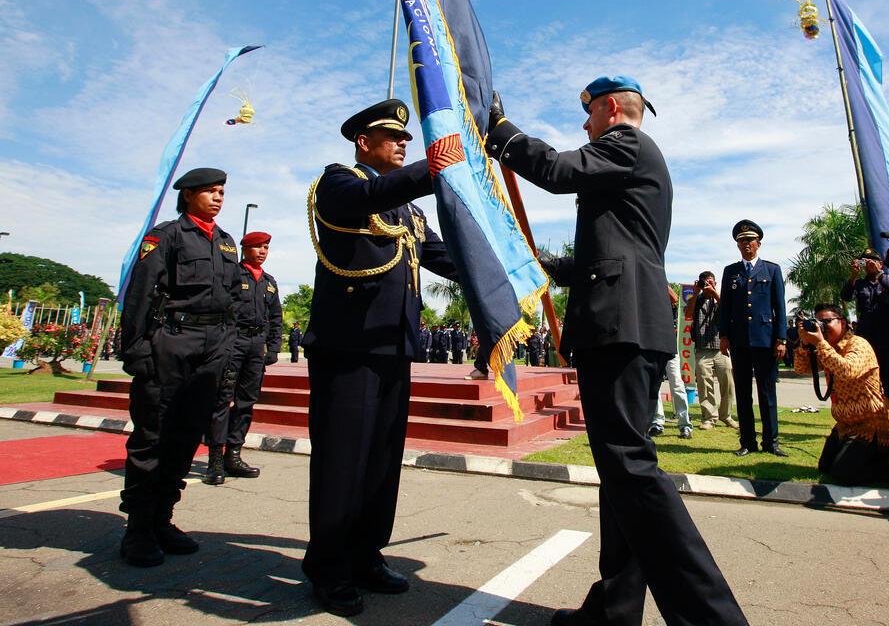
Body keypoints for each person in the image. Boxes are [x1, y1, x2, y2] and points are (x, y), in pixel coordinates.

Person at [486, 75, 748, 626]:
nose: (584, 127)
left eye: (587, 115)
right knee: (621, 475)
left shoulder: (625, 142)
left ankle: (712, 619)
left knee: (630, 468)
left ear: (609, 107)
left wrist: (503, 133)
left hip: (622, 325)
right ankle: (614, 610)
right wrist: (548, 269)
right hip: (626, 321)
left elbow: (557, 171)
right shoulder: (630, 158)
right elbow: (613, 246)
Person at [301, 99, 458, 616]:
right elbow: (368, 194)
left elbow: (443, 259)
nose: (403, 142)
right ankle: (327, 565)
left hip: (395, 348)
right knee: (342, 461)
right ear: (363, 142)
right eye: (392, 136)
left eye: (407, 138)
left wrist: (517, 265)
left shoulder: (408, 210)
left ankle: (366, 553)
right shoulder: (339, 182)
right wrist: (431, 167)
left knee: (381, 461)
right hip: (349, 348)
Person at [118, 167, 241, 567]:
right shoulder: (167, 235)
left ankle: (162, 519)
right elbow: (140, 291)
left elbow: (233, 299)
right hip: (172, 341)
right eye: (210, 191)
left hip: (212, 348)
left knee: (187, 435)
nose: (218, 197)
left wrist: (228, 347)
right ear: (188, 195)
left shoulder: (225, 242)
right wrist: (136, 349)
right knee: (153, 435)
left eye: (221, 191)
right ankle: (138, 529)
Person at [203, 230, 283, 485]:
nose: (262, 251)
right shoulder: (233, 275)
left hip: (255, 345)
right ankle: (215, 459)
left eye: (266, 247)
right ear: (245, 249)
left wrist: (272, 348)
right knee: (222, 400)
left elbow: (276, 317)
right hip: (233, 341)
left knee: (246, 401)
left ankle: (233, 455)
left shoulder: (269, 281)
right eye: (258, 247)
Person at [794, 304, 889, 485]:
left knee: (842, 475)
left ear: (843, 323)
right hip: (845, 425)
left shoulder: (858, 344)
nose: (822, 326)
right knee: (825, 467)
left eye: (827, 321)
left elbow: (847, 370)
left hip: (871, 425)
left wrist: (820, 343)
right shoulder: (828, 347)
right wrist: (805, 345)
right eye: (819, 322)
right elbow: (801, 368)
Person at [719, 219, 788, 457]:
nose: (746, 244)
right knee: (743, 393)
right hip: (739, 341)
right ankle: (747, 441)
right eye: (741, 241)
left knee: (767, 392)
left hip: (765, 340)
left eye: (749, 240)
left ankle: (771, 442)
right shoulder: (731, 272)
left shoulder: (772, 270)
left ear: (758, 243)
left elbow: (779, 307)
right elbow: (725, 306)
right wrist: (724, 335)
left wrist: (781, 339)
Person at [842, 249, 889, 438]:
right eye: (866, 261)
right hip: (867, 337)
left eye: (873, 261)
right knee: (869, 382)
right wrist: (854, 274)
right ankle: (872, 423)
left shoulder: (887, 279)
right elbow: (846, 295)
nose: (869, 264)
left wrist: (880, 273)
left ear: (880, 263)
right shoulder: (860, 283)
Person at [689, 270, 736, 430]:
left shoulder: (721, 299)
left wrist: (714, 294)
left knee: (728, 383)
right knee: (704, 384)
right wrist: (696, 293)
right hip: (702, 349)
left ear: (716, 283)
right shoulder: (697, 300)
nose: (708, 285)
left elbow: (729, 312)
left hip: (721, 348)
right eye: (705, 282)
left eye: (711, 281)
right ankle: (709, 417)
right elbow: (688, 314)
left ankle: (726, 415)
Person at [650, 287, 693, 439]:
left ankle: (684, 424)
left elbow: (674, 298)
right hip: (653, 348)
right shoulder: (647, 301)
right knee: (654, 386)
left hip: (669, 348)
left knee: (677, 385)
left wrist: (660, 279)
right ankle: (657, 422)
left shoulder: (670, 303)